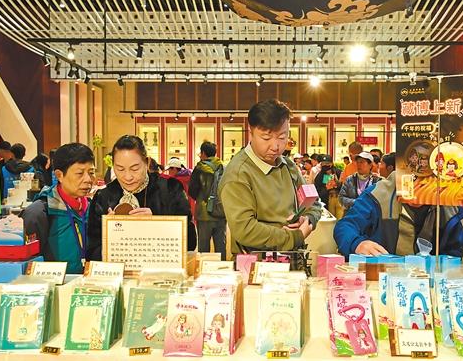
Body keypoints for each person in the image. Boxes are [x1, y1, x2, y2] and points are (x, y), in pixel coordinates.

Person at [218, 99, 322, 254]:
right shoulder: (238, 174)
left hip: (292, 258)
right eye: (266, 138)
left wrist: (308, 219)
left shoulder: (289, 166)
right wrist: (294, 237)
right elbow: (245, 229)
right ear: (251, 133)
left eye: (282, 137)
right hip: (257, 263)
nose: (275, 146)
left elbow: (313, 203)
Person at [87, 135, 197, 261]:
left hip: (159, 270)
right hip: (120, 271)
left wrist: (157, 223)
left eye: (135, 169)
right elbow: (92, 252)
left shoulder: (170, 189)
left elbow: (190, 242)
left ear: (147, 162)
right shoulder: (103, 197)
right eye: (120, 169)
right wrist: (111, 234)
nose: (128, 177)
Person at [333, 171, 463, 257]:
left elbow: (456, 248)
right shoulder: (378, 194)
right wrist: (357, 243)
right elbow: (345, 225)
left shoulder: (447, 203)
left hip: (429, 281)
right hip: (384, 275)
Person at [22, 143, 96, 274]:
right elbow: (27, 264)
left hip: (88, 284)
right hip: (54, 284)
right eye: (80, 173)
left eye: (91, 173)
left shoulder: (94, 208)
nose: (88, 179)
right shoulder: (38, 213)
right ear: (59, 175)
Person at [188, 141, 226, 259]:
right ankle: (223, 268)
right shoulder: (223, 167)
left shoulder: (199, 168)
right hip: (221, 212)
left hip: (204, 214)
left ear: (203, 153)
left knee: (204, 248)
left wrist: (202, 199)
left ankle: (204, 268)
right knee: (221, 246)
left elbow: (192, 190)